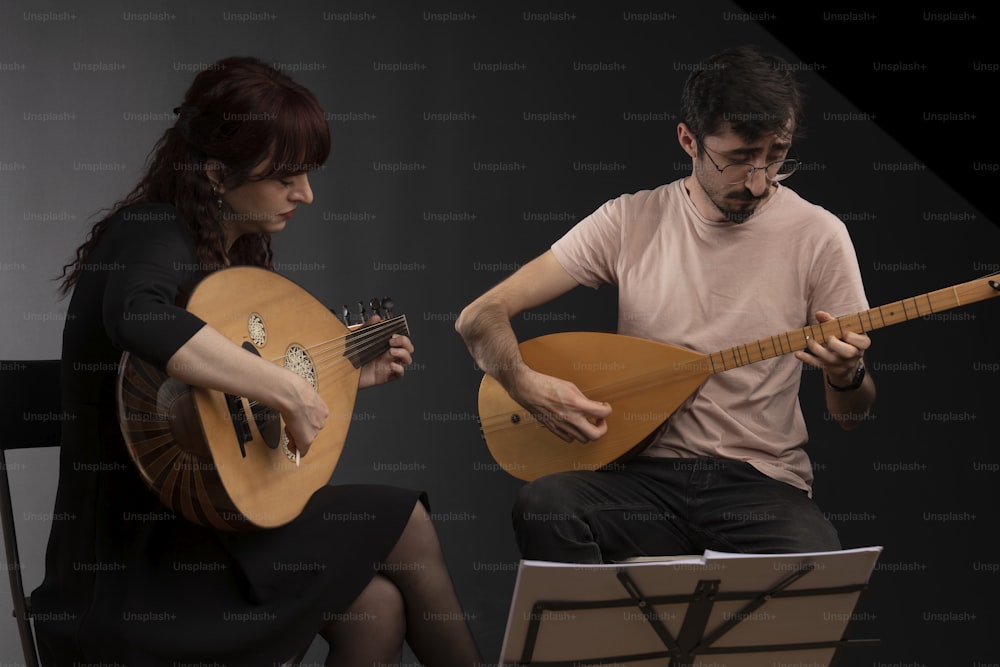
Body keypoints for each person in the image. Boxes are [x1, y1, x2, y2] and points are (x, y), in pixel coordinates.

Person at [34, 56, 483, 666]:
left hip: (207, 533)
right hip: (131, 571)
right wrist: (289, 391)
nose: (307, 194)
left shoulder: (223, 255)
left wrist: (345, 372)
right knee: (406, 521)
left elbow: (226, 418)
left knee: (376, 608)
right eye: (287, 177)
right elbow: (138, 316)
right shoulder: (149, 232)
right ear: (218, 172)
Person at [455, 45, 876, 564]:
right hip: (640, 480)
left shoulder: (820, 236)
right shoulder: (629, 221)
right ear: (688, 140)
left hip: (762, 484)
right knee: (546, 506)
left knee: (815, 566)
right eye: (739, 159)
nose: (760, 181)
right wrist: (524, 383)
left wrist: (846, 374)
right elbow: (479, 316)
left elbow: (853, 417)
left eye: (777, 155)